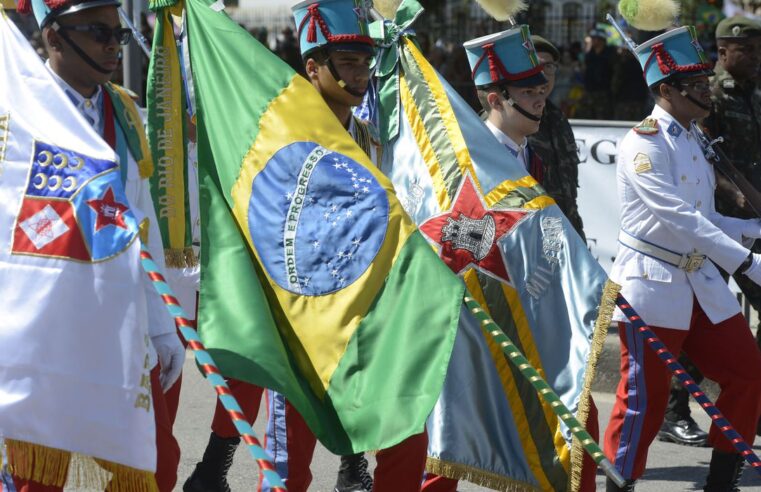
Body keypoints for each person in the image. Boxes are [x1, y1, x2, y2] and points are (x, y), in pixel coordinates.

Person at [14, 0, 185, 490]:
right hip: (42, 331)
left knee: (153, 468)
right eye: (97, 32)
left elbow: (141, 224)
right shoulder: (17, 112)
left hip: (119, 328)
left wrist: (161, 326)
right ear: (52, 37)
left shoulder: (126, 111)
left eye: (118, 35)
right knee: (34, 480)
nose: (112, 45)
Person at [420, 26, 598, 492]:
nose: (541, 97)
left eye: (542, 87)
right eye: (528, 90)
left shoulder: (531, 160)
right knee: (445, 450)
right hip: (473, 324)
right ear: (495, 98)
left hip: (531, 314)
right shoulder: (467, 164)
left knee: (580, 420)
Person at [259, 2, 427, 492]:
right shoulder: (283, 135)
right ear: (313, 67)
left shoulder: (368, 136)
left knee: (405, 435)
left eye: (365, 62)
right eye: (347, 63)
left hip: (364, 316)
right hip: (301, 316)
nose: (360, 75)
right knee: (288, 466)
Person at [603, 23, 761, 491]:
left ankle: (722, 479)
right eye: (695, 86)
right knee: (643, 400)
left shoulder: (692, 138)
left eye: (705, 82)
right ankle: (620, 483)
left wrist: (754, 231)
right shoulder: (644, 143)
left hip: (699, 284)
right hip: (652, 284)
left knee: (747, 374)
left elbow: (707, 216)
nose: (706, 92)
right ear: (666, 89)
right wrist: (749, 263)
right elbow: (679, 220)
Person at [657, 15, 761, 449]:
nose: (757, 58)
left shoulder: (753, 93)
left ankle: (751, 407)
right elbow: (704, 158)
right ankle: (675, 409)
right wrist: (735, 198)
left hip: (746, 221)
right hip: (713, 225)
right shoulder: (706, 91)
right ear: (723, 50)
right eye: (748, 50)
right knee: (704, 319)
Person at [528, 34, 587, 241]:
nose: (544, 75)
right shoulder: (506, 122)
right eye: (536, 65)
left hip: (567, 237)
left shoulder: (557, 118)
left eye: (550, 67)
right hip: (531, 240)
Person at [575, 26, 615, 120]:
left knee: (603, 118)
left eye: (595, 38)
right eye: (592, 38)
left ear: (601, 40)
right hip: (589, 91)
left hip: (604, 93)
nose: (593, 40)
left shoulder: (610, 54)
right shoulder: (589, 54)